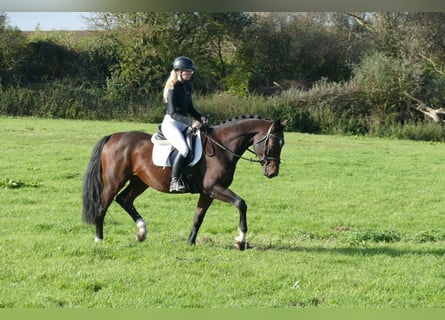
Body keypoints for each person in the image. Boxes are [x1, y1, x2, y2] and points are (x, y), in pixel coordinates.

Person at [161, 56, 208, 192]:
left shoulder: (187, 86)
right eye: (188, 71)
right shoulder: (172, 89)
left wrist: (200, 117)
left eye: (191, 72)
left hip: (182, 123)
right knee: (184, 149)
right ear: (179, 72)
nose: (190, 74)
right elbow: (172, 113)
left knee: (197, 143)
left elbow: (190, 108)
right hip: (171, 124)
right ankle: (174, 182)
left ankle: (190, 176)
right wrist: (191, 122)